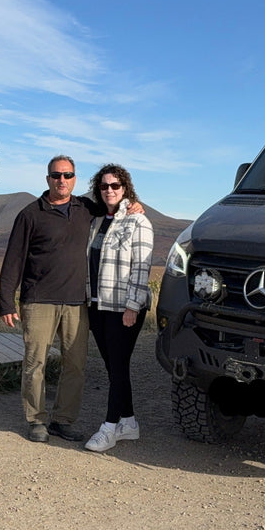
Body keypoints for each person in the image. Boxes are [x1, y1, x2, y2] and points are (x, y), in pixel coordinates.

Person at [0, 155, 143, 443]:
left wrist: (136, 205)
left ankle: (63, 420)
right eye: (56, 175)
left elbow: (116, 202)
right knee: (35, 362)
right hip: (38, 300)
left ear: (75, 179)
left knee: (75, 364)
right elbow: (13, 258)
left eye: (67, 175)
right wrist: (6, 301)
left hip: (78, 301)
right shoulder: (30, 214)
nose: (61, 180)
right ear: (48, 178)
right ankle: (36, 420)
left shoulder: (86, 208)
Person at [82, 163, 154, 453]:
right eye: (104, 186)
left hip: (123, 307)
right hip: (97, 305)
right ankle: (129, 422)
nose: (109, 190)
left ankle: (109, 428)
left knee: (119, 364)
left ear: (125, 188)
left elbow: (142, 267)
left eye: (115, 185)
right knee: (114, 367)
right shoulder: (96, 220)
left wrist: (133, 306)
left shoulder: (139, 222)